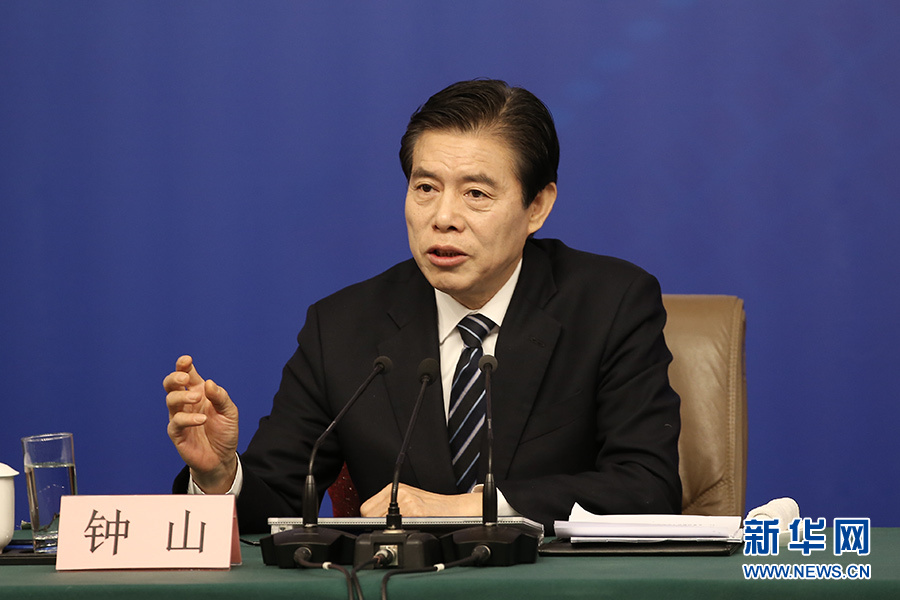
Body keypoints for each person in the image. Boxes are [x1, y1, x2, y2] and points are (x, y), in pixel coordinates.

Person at [164, 79, 682, 534]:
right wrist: (220, 475)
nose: (443, 217)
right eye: (426, 188)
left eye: (476, 194)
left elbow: (646, 487)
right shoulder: (343, 327)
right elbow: (276, 503)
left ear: (537, 206)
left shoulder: (610, 304)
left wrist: (472, 508)